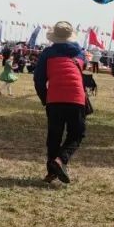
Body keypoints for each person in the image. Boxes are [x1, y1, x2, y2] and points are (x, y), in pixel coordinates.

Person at [33, 21, 87, 184]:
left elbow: (39, 79)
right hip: (76, 98)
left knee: (54, 135)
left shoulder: (47, 54)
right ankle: (61, 160)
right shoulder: (79, 53)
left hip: (55, 99)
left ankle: (52, 171)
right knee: (76, 134)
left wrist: (45, 98)